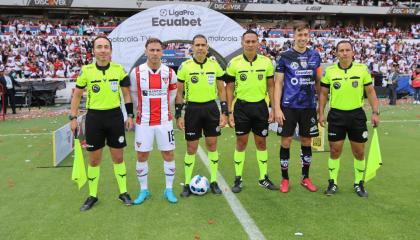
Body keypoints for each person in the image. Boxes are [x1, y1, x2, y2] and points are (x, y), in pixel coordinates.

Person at [70, 36, 134, 211]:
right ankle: (92, 195)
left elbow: (127, 94)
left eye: (106, 47)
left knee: (118, 158)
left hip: (114, 118)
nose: (103, 50)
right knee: (94, 159)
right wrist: (73, 117)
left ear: (111, 51)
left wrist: (130, 115)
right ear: (94, 50)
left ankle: (123, 192)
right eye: (99, 47)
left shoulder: (119, 70)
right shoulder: (86, 71)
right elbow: (76, 95)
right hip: (94, 119)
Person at [318, 40, 380, 198]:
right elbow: (323, 94)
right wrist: (321, 113)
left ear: (353, 52)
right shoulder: (330, 71)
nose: (344, 53)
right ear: (336, 53)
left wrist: (375, 112)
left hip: (356, 115)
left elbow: (371, 92)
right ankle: (333, 182)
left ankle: (359, 183)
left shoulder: (362, 70)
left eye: (347, 50)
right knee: (334, 150)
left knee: (359, 152)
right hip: (337, 115)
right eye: (341, 50)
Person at [225, 30, 278, 193]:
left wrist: (273, 108)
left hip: (261, 107)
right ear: (242, 43)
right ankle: (238, 178)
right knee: (241, 143)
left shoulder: (266, 62)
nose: (250, 44)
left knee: (261, 143)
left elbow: (271, 86)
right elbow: (229, 89)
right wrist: (229, 111)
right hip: (241, 108)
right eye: (247, 41)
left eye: (253, 41)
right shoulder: (234, 63)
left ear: (258, 43)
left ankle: (263, 178)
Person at [175, 34, 227, 197]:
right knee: (191, 147)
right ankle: (188, 182)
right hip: (192, 110)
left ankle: (213, 181)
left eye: (203, 45)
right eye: (197, 45)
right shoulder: (185, 66)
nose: (200, 48)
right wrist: (179, 114)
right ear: (192, 47)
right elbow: (179, 92)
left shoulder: (214, 65)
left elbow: (221, 89)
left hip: (211, 108)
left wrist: (224, 112)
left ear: (207, 47)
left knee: (212, 145)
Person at [273, 22, 321, 193]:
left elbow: (318, 82)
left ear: (308, 36)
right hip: (288, 107)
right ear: (294, 36)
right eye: (299, 35)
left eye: (305, 35)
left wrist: (320, 106)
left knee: (307, 141)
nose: (302, 38)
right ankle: (285, 179)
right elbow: (278, 83)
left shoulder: (315, 55)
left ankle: (305, 177)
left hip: (308, 106)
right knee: (286, 141)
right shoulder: (284, 56)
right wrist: (277, 108)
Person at [129, 38, 178, 204]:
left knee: (168, 154)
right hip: (143, 121)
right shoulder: (136, 73)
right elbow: (134, 94)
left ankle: (169, 189)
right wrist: (140, 109)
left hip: (164, 120)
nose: (155, 53)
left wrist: (165, 108)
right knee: (142, 155)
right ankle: (144, 190)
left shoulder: (169, 73)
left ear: (162, 52)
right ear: (146, 51)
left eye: (158, 50)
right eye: (152, 50)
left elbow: (172, 94)